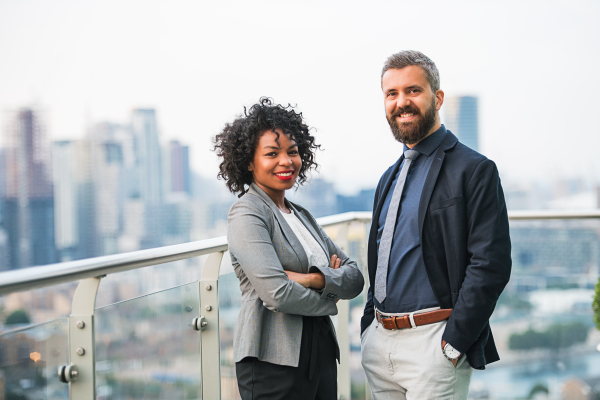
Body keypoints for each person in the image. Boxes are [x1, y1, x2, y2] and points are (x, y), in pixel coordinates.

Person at [360, 50, 512, 399]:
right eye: (392, 94)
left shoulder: (474, 169)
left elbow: (491, 263)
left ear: (437, 97)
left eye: (413, 90)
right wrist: (369, 327)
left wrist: (455, 340)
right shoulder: (388, 178)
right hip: (380, 343)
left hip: (434, 344)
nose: (402, 102)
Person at [214, 97, 364, 400]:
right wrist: (331, 299)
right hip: (273, 360)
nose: (287, 161)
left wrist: (313, 279)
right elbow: (277, 294)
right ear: (248, 162)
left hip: (319, 351)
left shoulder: (301, 215)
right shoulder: (248, 212)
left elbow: (355, 277)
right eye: (272, 153)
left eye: (292, 152)